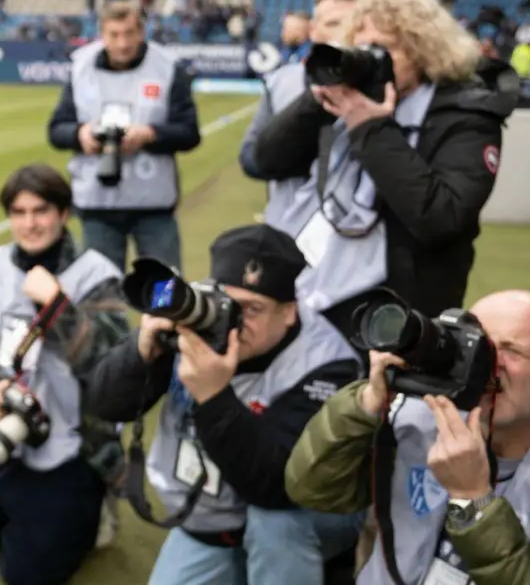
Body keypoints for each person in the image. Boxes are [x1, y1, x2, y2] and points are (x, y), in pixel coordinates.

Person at [285, 290, 530, 585]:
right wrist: (363, 406)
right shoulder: (416, 408)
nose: (487, 364)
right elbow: (313, 489)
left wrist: (472, 501)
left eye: (511, 351)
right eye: (479, 343)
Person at [87, 224, 363, 584]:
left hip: (299, 513)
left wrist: (214, 396)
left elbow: (274, 484)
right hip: (212, 519)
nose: (234, 320)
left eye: (253, 309)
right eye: (227, 302)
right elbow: (105, 406)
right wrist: (141, 352)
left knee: (274, 525)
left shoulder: (328, 366)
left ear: (289, 312)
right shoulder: (195, 325)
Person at [249, 0, 518, 332]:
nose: (368, 57)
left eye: (381, 48)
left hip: (400, 311)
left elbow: (440, 217)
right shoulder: (348, 100)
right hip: (319, 294)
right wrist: (317, 102)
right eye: (359, 46)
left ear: (422, 50)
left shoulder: (466, 116)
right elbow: (267, 160)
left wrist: (371, 128)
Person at [0, 163, 131, 585]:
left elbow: (112, 370)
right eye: (19, 212)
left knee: (27, 574)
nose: (29, 224)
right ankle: (20, 510)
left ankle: (88, 503)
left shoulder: (97, 274)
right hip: (5, 431)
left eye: (41, 211)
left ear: (64, 214)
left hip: (73, 440)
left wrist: (57, 308)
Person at [47, 0, 202, 272]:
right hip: (97, 205)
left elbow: (189, 132)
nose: (122, 43)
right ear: (101, 34)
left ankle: (163, 315)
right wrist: (80, 134)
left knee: (163, 293)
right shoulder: (81, 66)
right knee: (100, 295)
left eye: (129, 33)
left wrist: (150, 135)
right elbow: (56, 129)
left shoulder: (167, 68)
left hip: (154, 204)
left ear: (142, 32)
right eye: (114, 35)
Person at [240, 0, 359, 223]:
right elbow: (250, 158)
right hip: (288, 230)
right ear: (313, 31)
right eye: (333, 24)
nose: (343, 33)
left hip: (355, 234)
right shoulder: (282, 81)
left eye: (352, 24)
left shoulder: (386, 89)